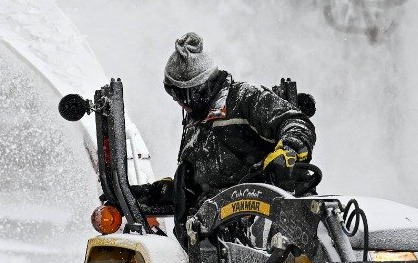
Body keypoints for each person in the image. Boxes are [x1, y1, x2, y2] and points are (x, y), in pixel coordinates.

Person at [135, 33, 315, 221]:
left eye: (180, 95)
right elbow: (195, 190)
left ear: (198, 90)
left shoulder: (245, 98)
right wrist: (159, 192)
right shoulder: (194, 126)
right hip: (216, 231)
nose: (177, 102)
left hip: (269, 216)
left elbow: (296, 122)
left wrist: (289, 151)